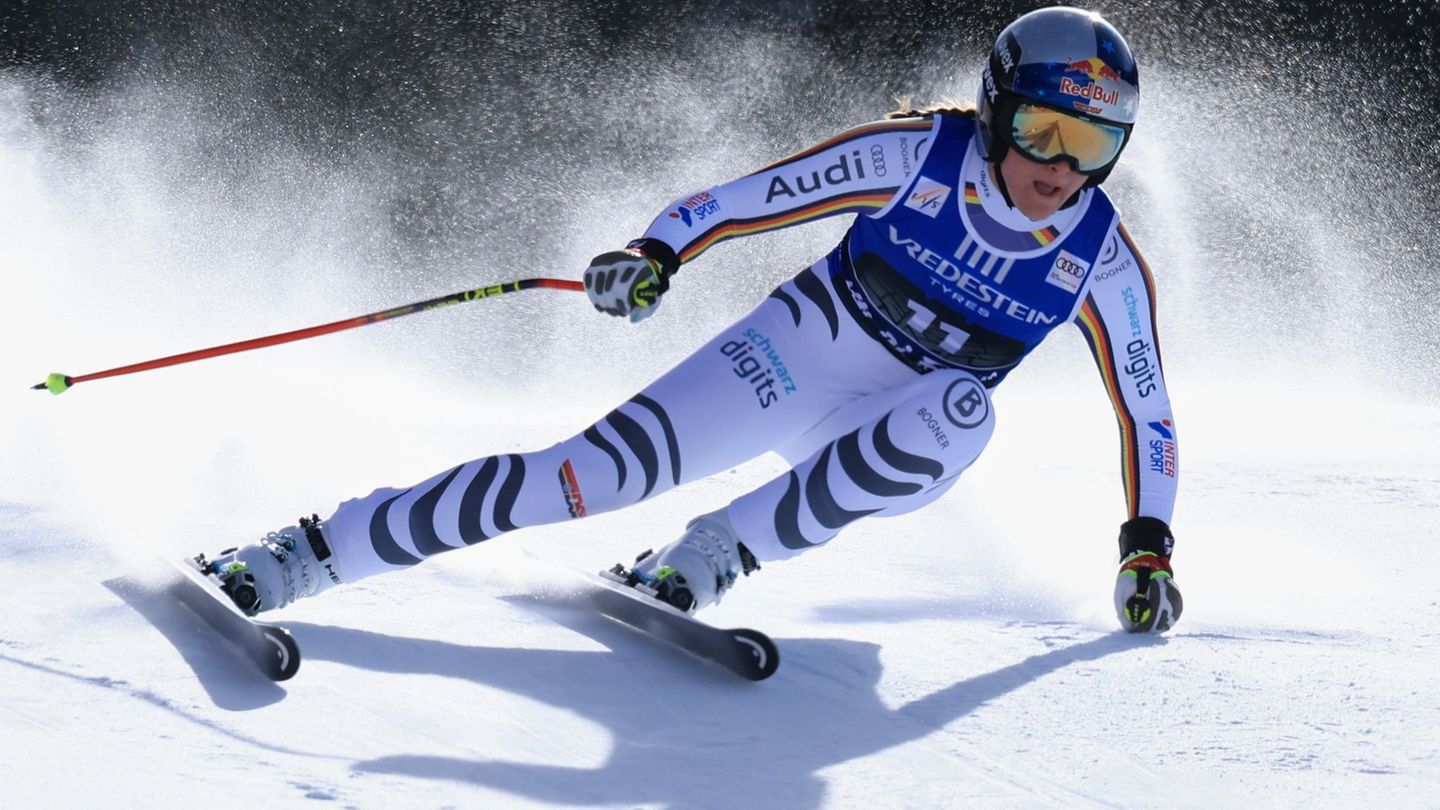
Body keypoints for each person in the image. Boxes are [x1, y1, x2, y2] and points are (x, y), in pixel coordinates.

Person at [204, 7, 1183, 634]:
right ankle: (306, 553)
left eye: (1093, 143)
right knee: (580, 478)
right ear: (997, 109)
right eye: (1042, 130)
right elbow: (738, 201)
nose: (1062, 166)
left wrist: (1146, 549)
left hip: (891, 437)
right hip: (793, 356)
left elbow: (1148, 416)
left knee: (965, 410)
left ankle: (712, 554)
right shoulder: (917, 155)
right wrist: (654, 257)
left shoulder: (1102, 262)